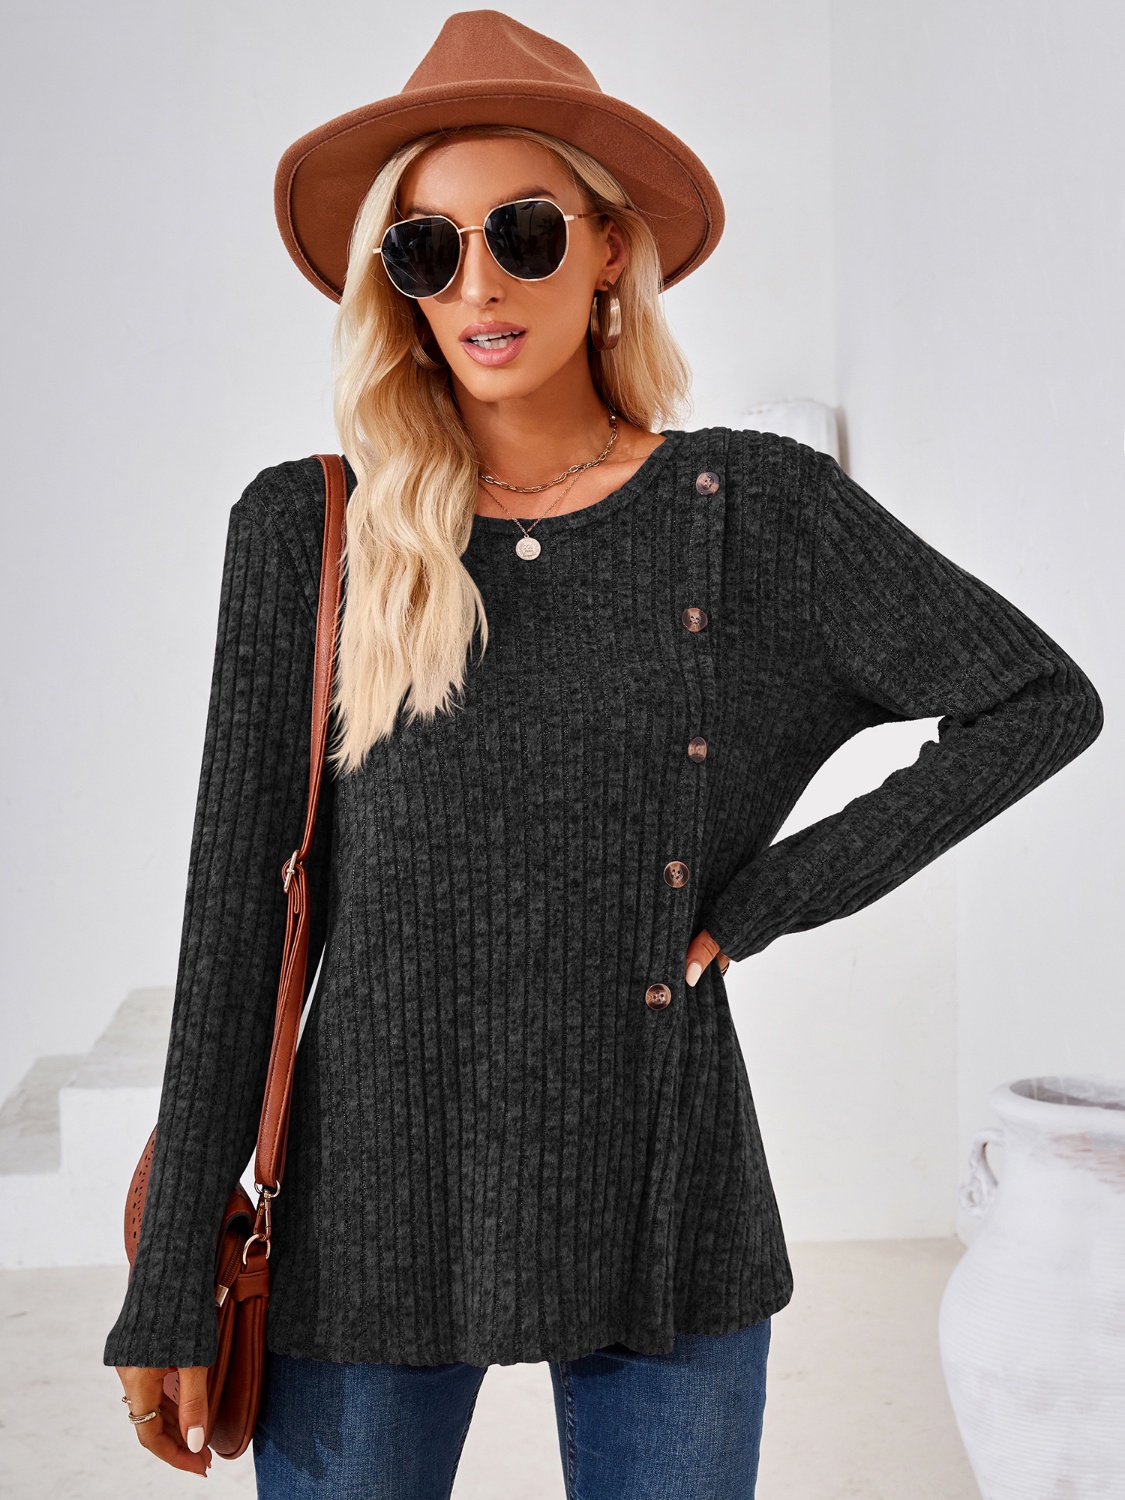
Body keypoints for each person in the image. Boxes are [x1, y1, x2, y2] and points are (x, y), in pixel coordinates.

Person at [103, 11, 1104, 1498]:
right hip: (365, 1212)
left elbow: (1037, 698)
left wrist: (762, 901)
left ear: (610, 248)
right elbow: (237, 912)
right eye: (427, 249)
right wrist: (171, 1268)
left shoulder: (749, 510)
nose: (480, 283)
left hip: (662, 1195)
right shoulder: (312, 530)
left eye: (521, 231)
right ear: (397, 287)